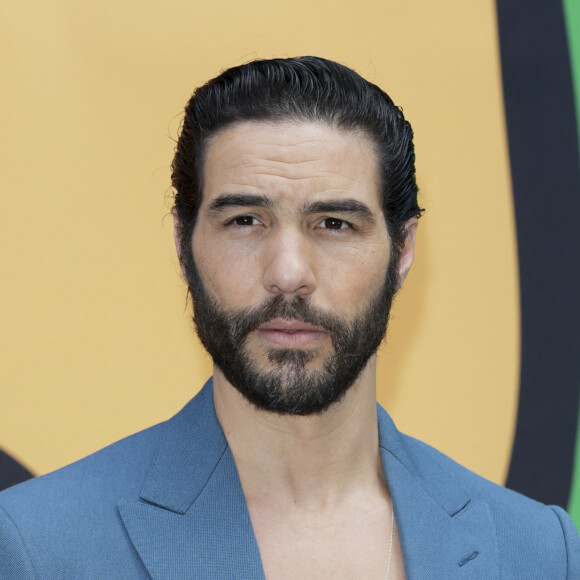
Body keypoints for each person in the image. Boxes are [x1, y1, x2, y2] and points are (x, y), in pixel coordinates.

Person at [0, 56, 578, 579]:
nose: (288, 272)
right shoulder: (39, 546)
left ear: (402, 251)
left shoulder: (539, 551)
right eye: (245, 220)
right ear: (183, 244)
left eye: (334, 223)